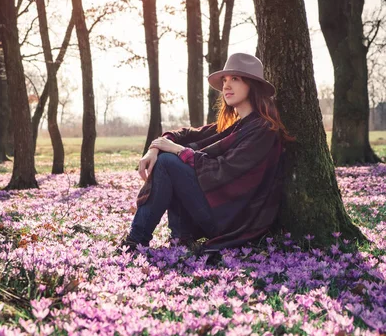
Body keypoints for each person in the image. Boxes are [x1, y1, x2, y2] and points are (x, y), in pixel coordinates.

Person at [120, 53, 294, 252]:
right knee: (168, 158)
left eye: (235, 79)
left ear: (252, 85)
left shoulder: (262, 130)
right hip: (216, 210)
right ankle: (180, 241)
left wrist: (178, 151)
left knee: (169, 163)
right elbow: (185, 134)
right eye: (225, 80)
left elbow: (224, 171)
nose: (226, 86)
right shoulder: (235, 127)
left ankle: (135, 242)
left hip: (232, 219)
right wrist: (155, 147)